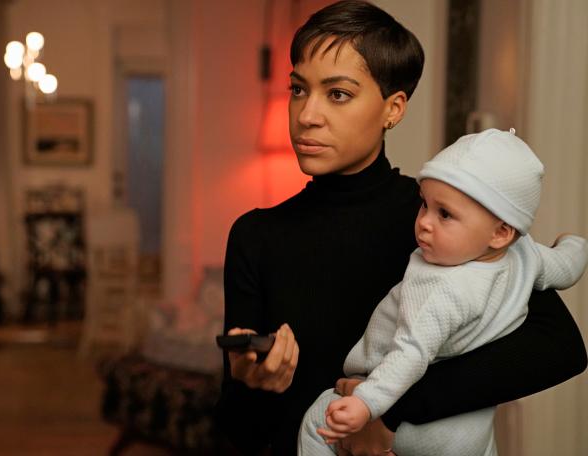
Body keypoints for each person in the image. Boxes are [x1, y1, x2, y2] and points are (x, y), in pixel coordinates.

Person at [216, 1, 587, 455]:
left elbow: (559, 348)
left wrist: (389, 416)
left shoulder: (443, 218)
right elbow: (238, 429)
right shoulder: (255, 236)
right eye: (298, 89)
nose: (306, 114)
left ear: (393, 109)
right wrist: (252, 382)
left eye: (337, 94)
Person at [298, 128, 588, 456]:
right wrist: (574, 243)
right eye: (424, 205)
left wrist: (366, 404)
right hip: (469, 425)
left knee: (318, 419)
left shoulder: (438, 286)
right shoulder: (525, 257)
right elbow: (565, 266)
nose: (424, 222)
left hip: (411, 422)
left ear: (501, 233)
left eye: (445, 214)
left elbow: (410, 353)